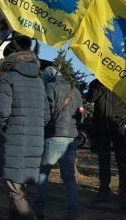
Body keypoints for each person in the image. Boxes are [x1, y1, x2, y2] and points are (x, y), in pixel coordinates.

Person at [0, 36, 50, 220]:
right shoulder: (39, 80)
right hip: (35, 143)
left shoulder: (8, 77)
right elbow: (47, 116)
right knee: (20, 191)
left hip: (14, 142)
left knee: (16, 193)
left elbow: (1, 113)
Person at [33, 66, 83, 220]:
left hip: (53, 135)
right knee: (69, 179)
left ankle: (38, 210)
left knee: (43, 173)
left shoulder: (50, 87)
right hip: (71, 137)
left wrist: (43, 128)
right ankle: (72, 214)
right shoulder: (76, 91)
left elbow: (45, 113)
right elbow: (81, 114)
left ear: (48, 77)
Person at [86, 79, 126, 209]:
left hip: (119, 126)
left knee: (122, 161)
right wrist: (100, 84)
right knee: (103, 160)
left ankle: (125, 195)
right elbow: (90, 98)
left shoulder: (125, 82)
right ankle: (103, 192)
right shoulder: (97, 82)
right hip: (101, 126)